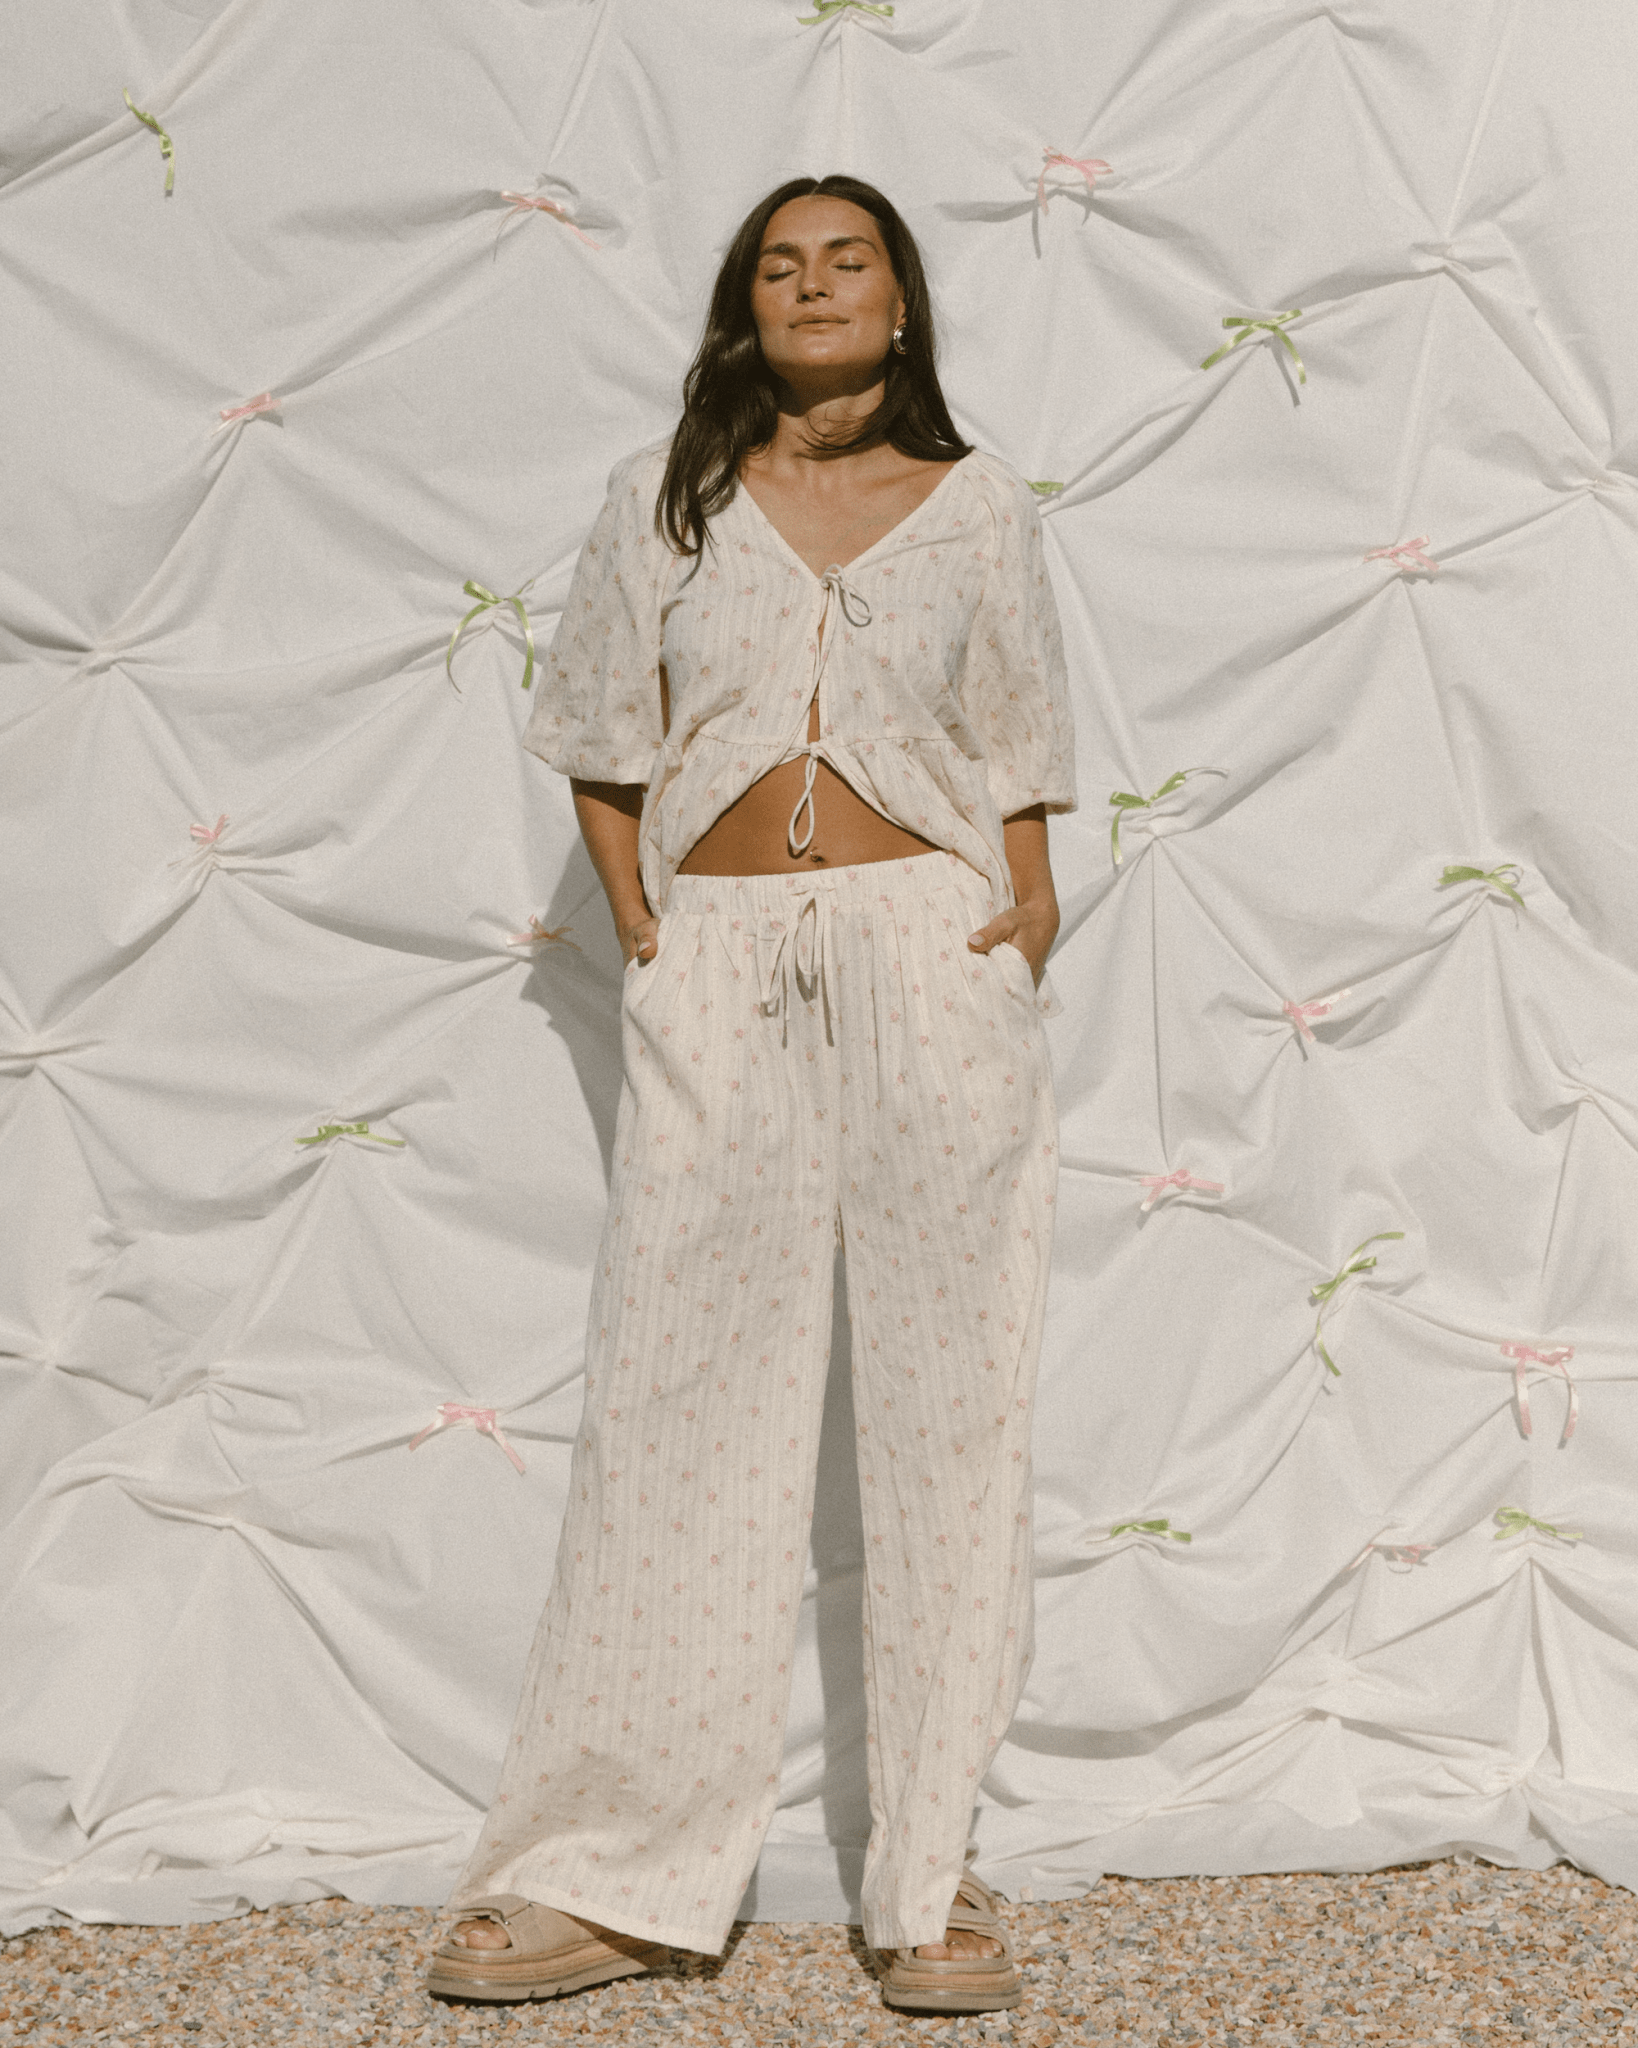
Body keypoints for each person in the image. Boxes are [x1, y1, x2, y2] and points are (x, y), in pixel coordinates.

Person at [425, 172, 1076, 2017]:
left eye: (845, 259)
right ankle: (611, 1872)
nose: (812, 284)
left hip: (927, 953)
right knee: (676, 1398)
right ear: (744, 307)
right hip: (717, 957)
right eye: (779, 265)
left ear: (898, 300)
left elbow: (1020, 736)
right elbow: (598, 731)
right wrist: (643, 924)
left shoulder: (979, 503)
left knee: (953, 1406)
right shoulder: (667, 499)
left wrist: (1020, 912)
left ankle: (927, 1878)